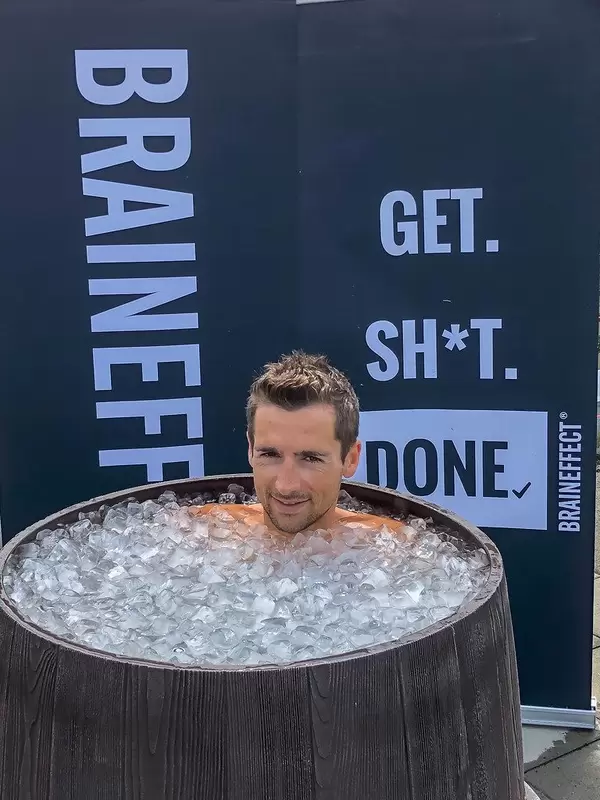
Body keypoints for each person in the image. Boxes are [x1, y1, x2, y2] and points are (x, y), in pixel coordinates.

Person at [190, 351, 406, 536]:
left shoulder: (397, 549)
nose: (286, 486)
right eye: (270, 455)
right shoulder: (200, 531)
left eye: (311, 458)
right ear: (250, 449)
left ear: (350, 459)